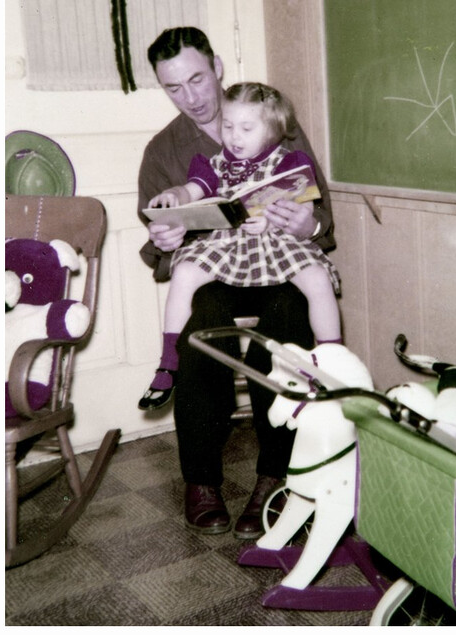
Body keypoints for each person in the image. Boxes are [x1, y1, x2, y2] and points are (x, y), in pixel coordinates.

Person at [137, 27, 337, 539]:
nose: (191, 98)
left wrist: (306, 224)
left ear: (218, 67)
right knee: (202, 322)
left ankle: (275, 474)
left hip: (278, 262)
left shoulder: (274, 122)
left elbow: (322, 217)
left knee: (290, 312)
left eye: (197, 79)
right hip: (218, 270)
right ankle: (201, 480)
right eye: (173, 87)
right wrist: (166, 237)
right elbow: (157, 249)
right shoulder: (163, 150)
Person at [139, 81, 341, 410]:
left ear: (273, 130)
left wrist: (276, 219)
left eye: (247, 128)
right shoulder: (213, 164)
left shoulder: (290, 162)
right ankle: (168, 362)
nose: (234, 137)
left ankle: (332, 359)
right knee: (185, 272)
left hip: (276, 244)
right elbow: (192, 189)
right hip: (227, 246)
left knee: (318, 279)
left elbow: (303, 206)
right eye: (228, 126)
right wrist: (175, 195)